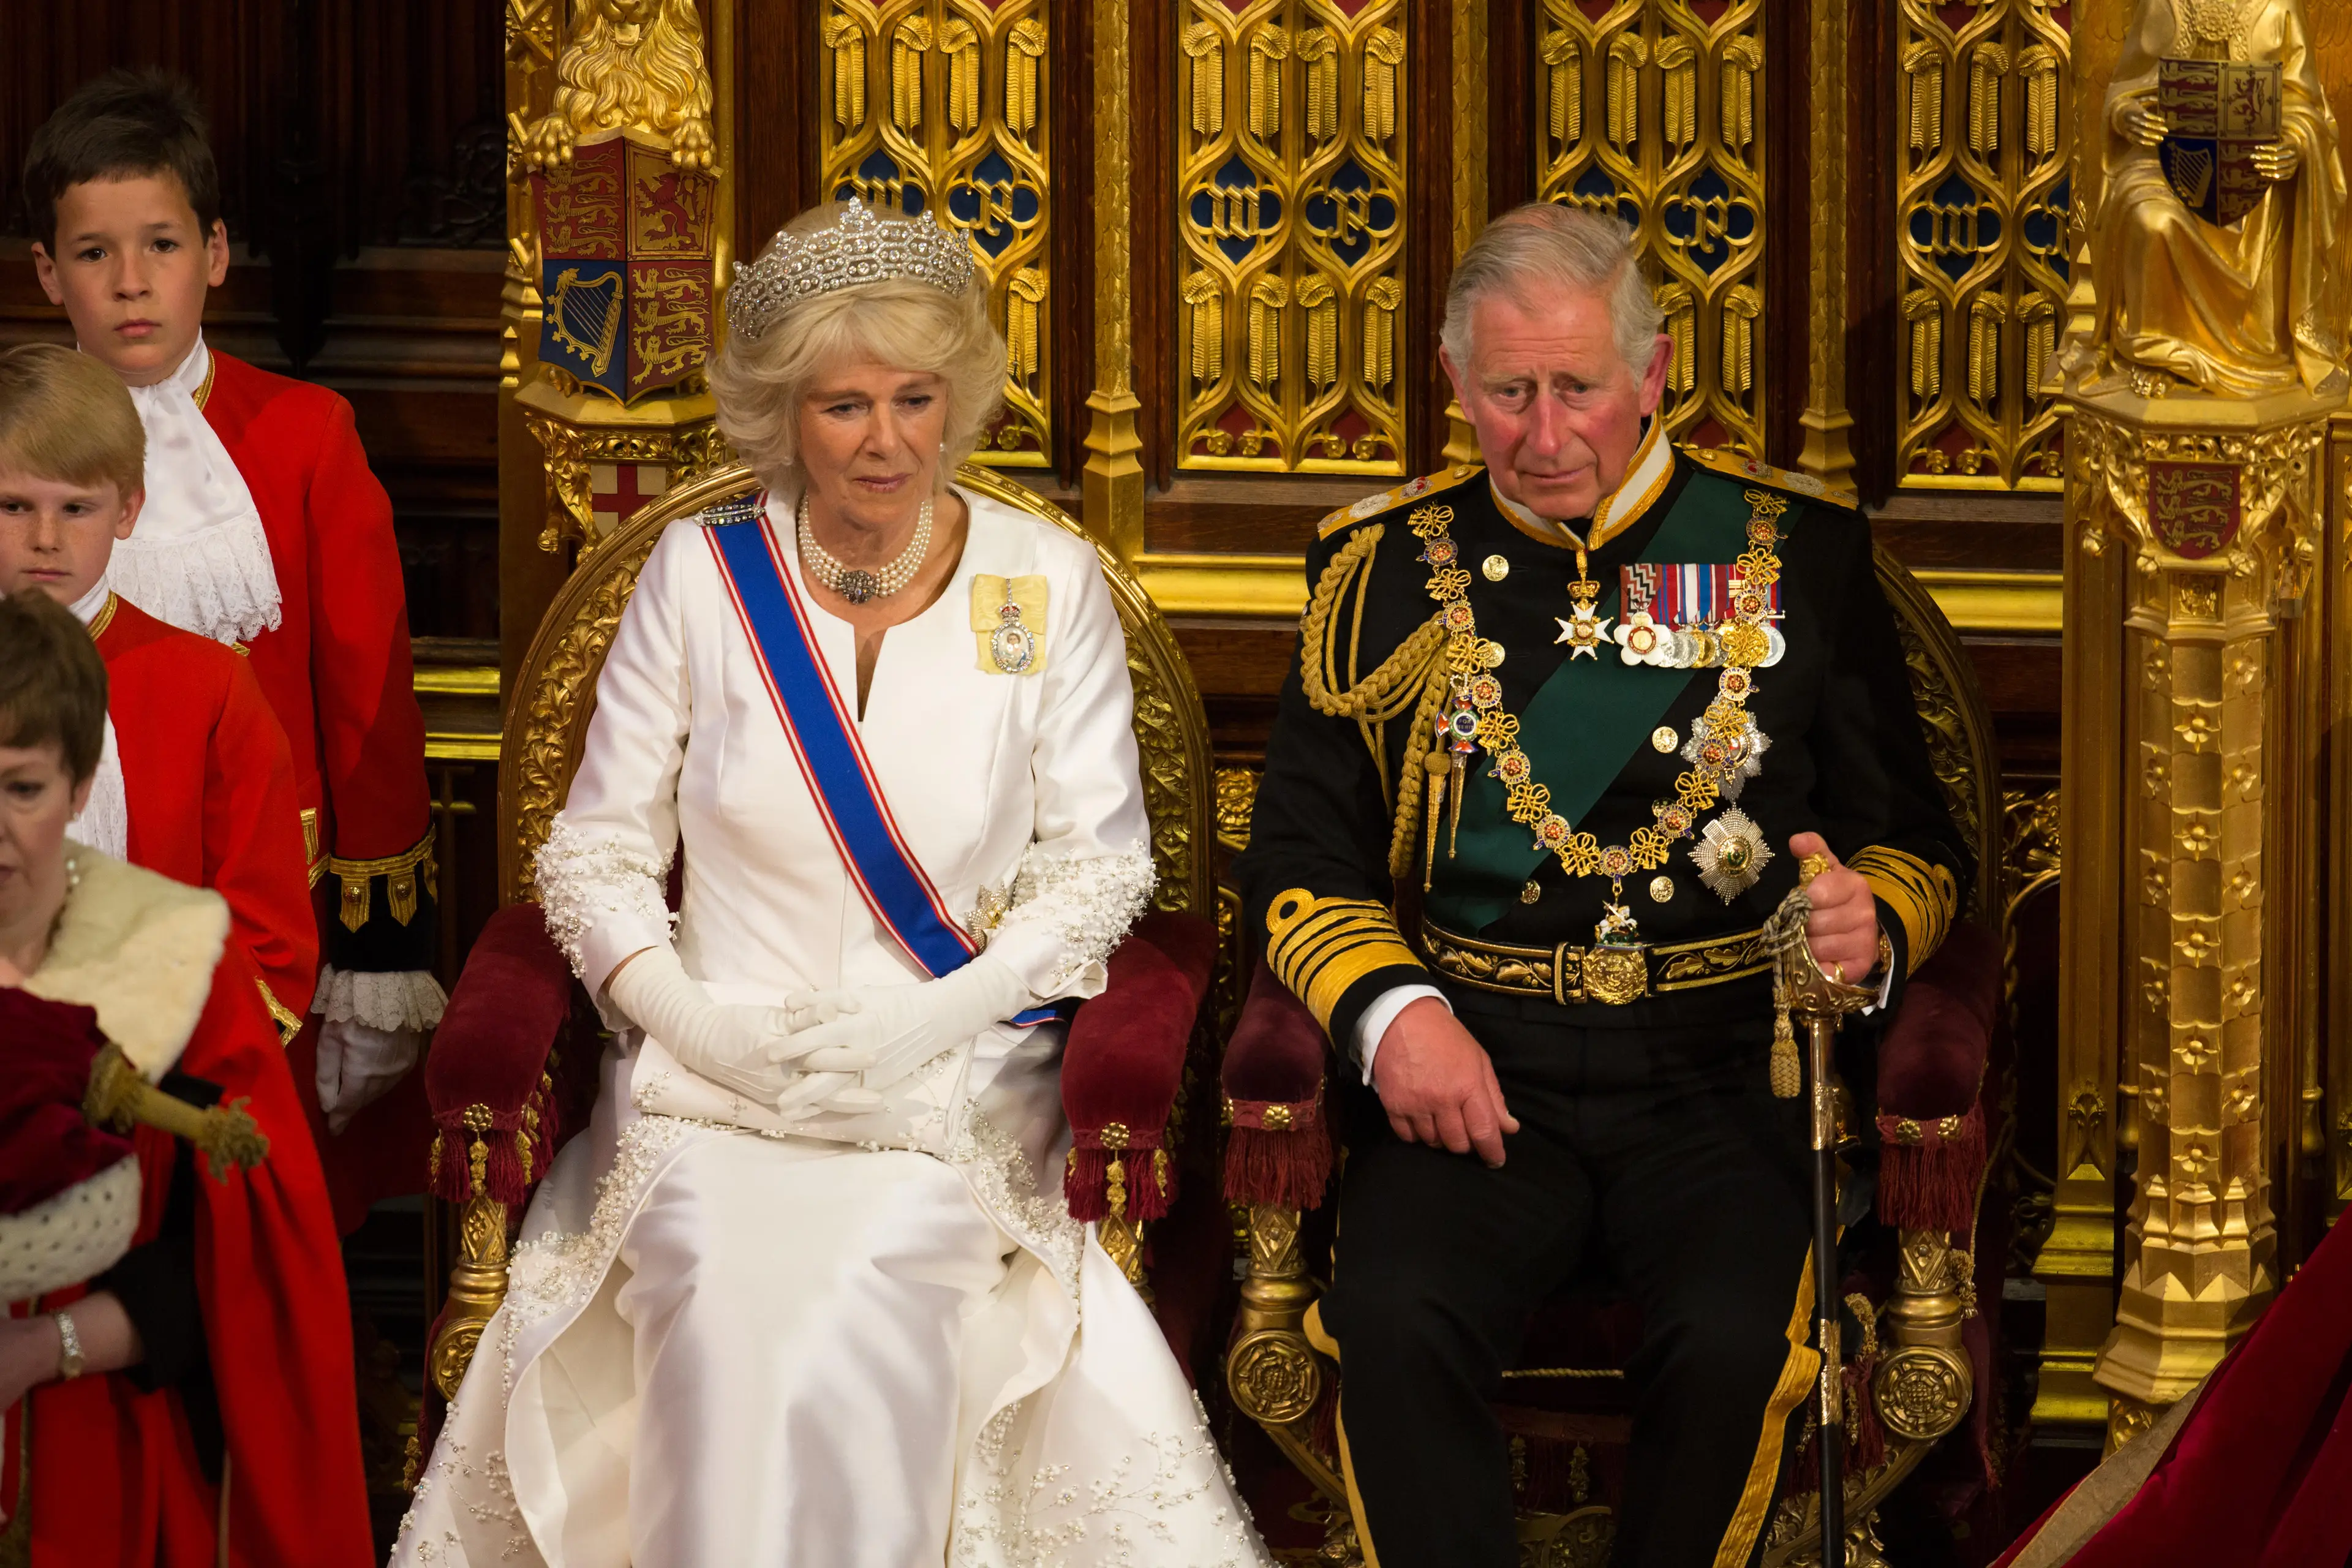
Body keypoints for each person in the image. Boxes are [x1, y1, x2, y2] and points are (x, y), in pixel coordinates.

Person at [396, 198, 1267, 1566]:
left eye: (916, 398)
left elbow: (1103, 867)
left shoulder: (1047, 579)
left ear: (958, 399)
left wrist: (939, 1016)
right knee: (732, 1297)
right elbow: (596, 847)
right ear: (782, 413)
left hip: (955, 1078)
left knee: (866, 1288)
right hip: (718, 1086)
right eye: (845, 404)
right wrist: (692, 1019)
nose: (886, 440)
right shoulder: (702, 577)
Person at [1234, 203, 1972, 1568]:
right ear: (1456, 384)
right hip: (1476, 1065)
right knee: (1394, 1320)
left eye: (1580, 386)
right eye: (1508, 392)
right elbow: (1299, 856)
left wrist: (1866, 924)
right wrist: (1395, 1013)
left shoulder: (1793, 552)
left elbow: (1918, 840)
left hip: (1721, 1072)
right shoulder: (1378, 570)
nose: (1547, 431)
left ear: (1654, 371)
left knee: (1740, 1337)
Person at [22, 70, 440, 1192]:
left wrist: (378, 943)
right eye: (96, 255)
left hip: (258, 917)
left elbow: (366, 700)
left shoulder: (303, 435)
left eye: (159, 245)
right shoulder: (18, 456)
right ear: (47, 274)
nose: (130, 285)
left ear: (213, 253)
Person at [0, 587, 370, 1566]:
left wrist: (42, 1349)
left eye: (22, 788)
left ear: (82, 789)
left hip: (97, 1461)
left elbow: (244, 1282)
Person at [0, 341, 315, 1036]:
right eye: (15, 505)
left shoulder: (208, 685)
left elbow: (270, 941)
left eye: (76, 509)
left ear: (128, 509)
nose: (45, 538)